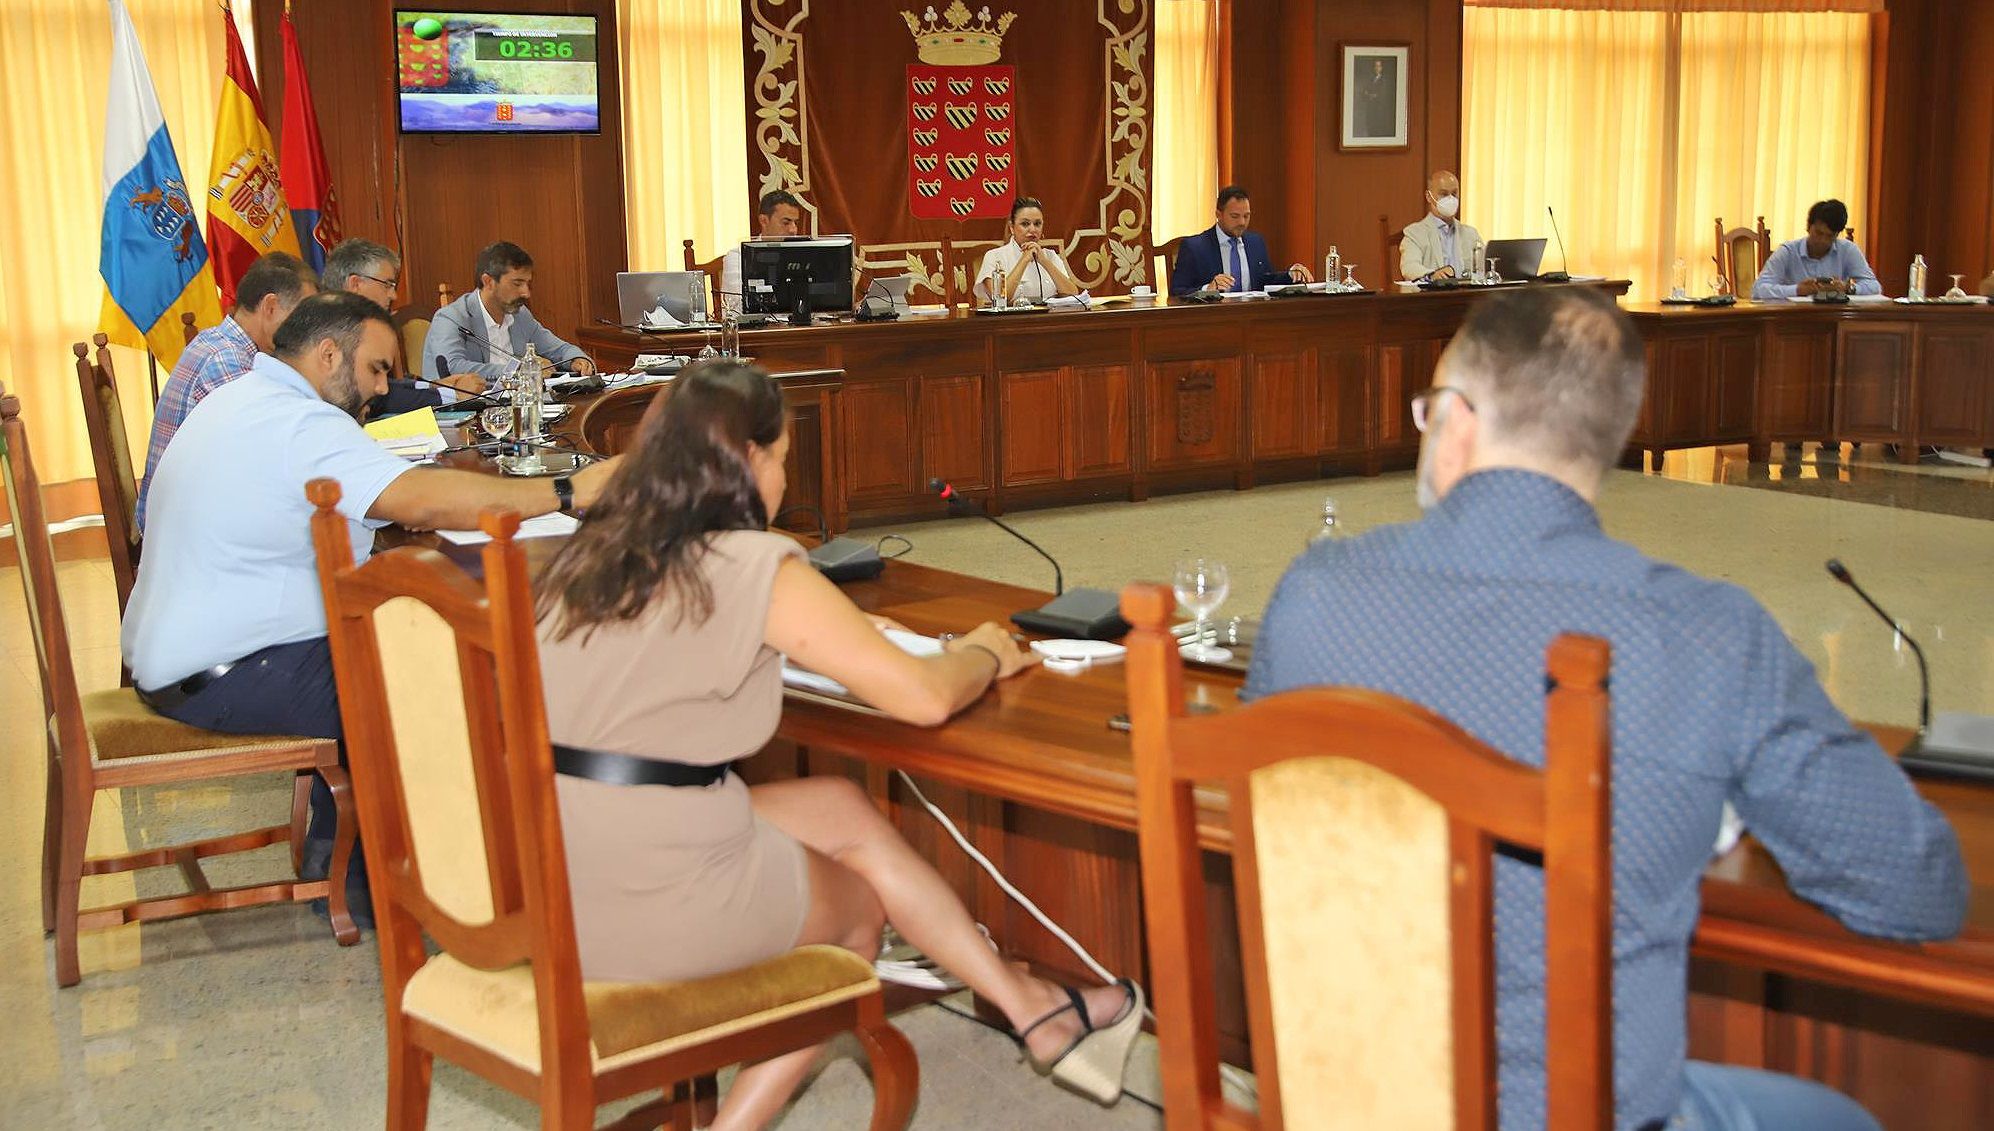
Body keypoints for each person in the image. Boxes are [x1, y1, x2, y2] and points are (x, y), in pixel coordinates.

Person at [1245, 286, 1964, 1131]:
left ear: (1459, 421)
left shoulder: (1315, 592)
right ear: (1605, 439)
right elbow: (1918, 886)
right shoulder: (1706, 633)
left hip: (1344, 1106)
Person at [533, 359, 1143, 1131]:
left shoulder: (586, 558)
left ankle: (1028, 1005)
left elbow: (659, 660)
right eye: (783, 459)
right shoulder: (753, 561)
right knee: (858, 917)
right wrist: (988, 651)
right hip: (655, 897)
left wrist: (841, 634)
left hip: (555, 878)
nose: (784, 480)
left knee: (839, 805)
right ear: (748, 460)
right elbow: (922, 698)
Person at [124, 292, 616, 925]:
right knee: (445, 670)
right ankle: (446, 896)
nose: (381, 391)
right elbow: (418, 499)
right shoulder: (301, 421)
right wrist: (566, 491)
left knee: (406, 641)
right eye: (376, 370)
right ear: (328, 354)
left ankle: (352, 864)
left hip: (185, 658)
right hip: (226, 674)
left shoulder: (245, 398)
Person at [137, 251, 317, 532]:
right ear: (270, 307)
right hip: (178, 527)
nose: (307, 332)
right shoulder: (226, 362)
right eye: (301, 317)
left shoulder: (223, 343)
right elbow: (264, 457)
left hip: (190, 509)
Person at [321, 237, 484, 416]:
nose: (394, 295)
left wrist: (434, 385)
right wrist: (453, 394)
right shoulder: (333, 330)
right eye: (388, 284)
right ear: (356, 284)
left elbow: (387, 385)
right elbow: (378, 397)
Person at [421, 241, 596, 382]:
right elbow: (453, 368)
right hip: (459, 417)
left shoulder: (520, 315)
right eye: (517, 283)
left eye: (528, 284)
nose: (526, 293)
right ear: (488, 281)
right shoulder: (451, 318)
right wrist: (520, 369)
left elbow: (558, 349)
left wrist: (577, 360)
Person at [1168, 185, 1313, 297]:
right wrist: (1208, 288)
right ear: (1218, 214)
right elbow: (1177, 292)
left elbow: (1265, 281)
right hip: (1213, 319)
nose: (1242, 222)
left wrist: (1291, 274)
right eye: (1235, 216)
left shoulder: (1255, 242)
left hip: (1252, 316)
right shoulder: (1195, 247)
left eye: (1246, 216)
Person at [1751, 199, 1881, 300]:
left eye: (1829, 236)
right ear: (1808, 227)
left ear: (1837, 235)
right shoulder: (1788, 251)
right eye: (1818, 233)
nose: (1822, 241)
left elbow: (1875, 286)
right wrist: (1798, 290)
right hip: (1794, 321)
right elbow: (1758, 290)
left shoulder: (1848, 250)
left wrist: (1847, 288)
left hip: (1835, 320)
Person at [975, 196, 1082, 305]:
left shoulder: (1050, 256)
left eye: (1037, 224)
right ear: (1012, 227)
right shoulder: (995, 256)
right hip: (1010, 321)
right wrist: (1024, 260)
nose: (1032, 229)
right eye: (1025, 224)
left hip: (1048, 320)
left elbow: (1073, 296)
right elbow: (1001, 299)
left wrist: (1044, 262)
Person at [720, 189, 805, 309]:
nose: (793, 230)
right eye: (786, 223)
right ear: (764, 220)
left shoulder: (803, 255)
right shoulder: (738, 257)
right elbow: (737, 305)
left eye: (795, 223)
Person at [1399, 171, 1483, 282]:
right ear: (1429, 197)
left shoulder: (1470, 234)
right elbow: (1409, 267)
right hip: (1433, 297)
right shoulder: (1415, 233)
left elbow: (1484, 266)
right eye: (1443, 194)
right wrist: (1432, 275)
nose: (1450, 199)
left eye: (1454, 194)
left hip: (1466, 295)